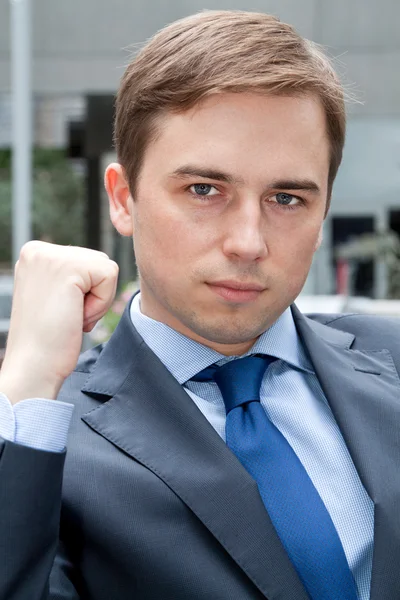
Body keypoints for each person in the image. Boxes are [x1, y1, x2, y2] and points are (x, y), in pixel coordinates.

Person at [0, 10, 398, 600]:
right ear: (123, 199)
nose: (248, 242)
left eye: (286, 198)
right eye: (204, 190)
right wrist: (27, 380)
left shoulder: (389, 361)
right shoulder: (46, 440)